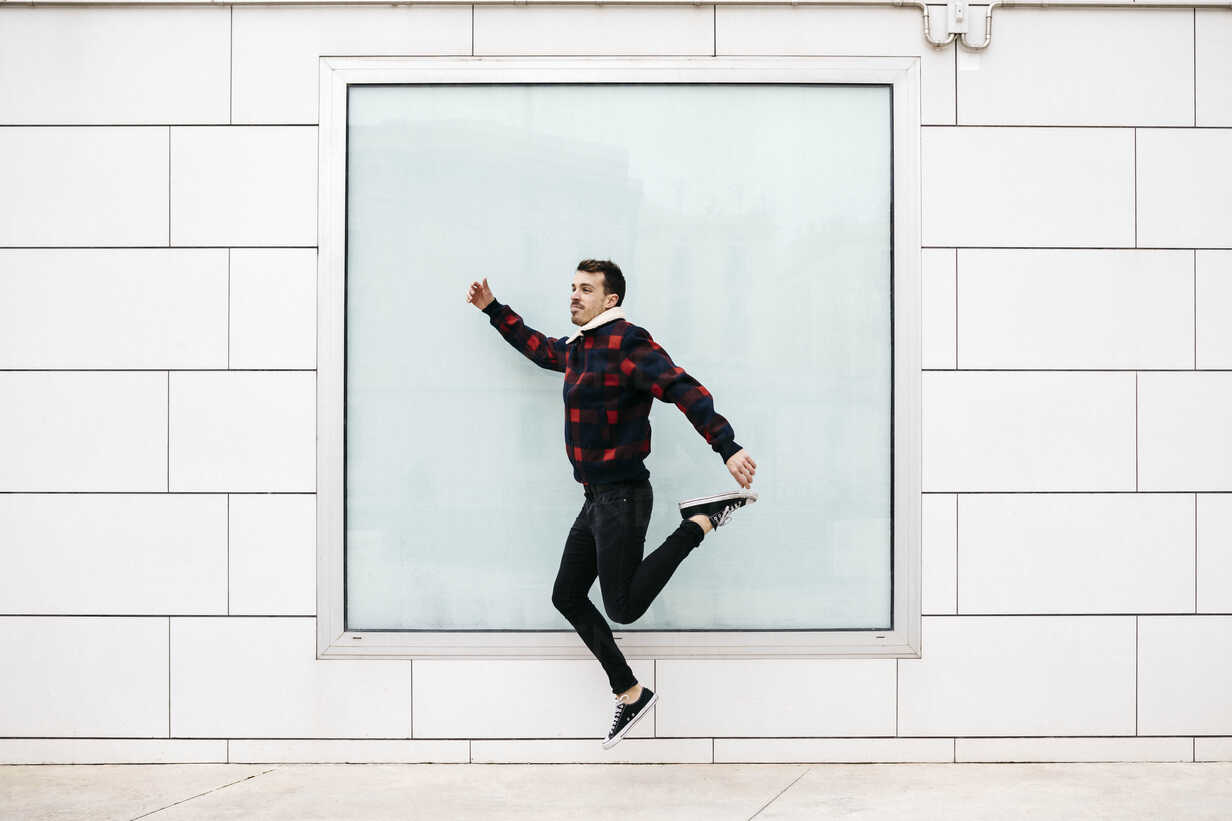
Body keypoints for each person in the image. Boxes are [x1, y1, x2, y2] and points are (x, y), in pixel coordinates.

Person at [465, 259, 758, 749]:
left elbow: (683, 388)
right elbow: (540, 350)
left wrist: (726, 446)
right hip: (596, 498)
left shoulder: (627, 343)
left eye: (586, 289)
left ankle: (701, 522)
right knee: (567, 595)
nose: (574, 296)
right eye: (572, 288)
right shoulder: (579, 349)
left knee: (621, 607)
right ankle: (630, 691)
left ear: (611, 300)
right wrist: (494, 309)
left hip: (623, 494)